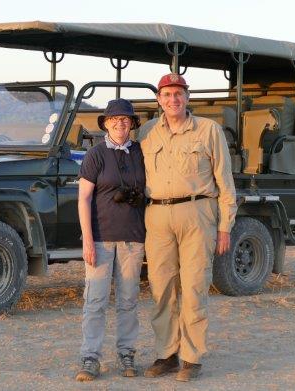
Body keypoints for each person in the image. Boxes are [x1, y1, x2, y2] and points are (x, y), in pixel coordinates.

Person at [136, 73, 237, 382]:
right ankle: (166, 354)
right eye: (166, 94)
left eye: (178, 94)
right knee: (161, 287)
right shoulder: (147, 133)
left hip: (198, 213)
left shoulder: (208, 130)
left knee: (194, 287)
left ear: (187, 98)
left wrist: (225, 226)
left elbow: (225, 181)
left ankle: (191, 358)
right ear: (158, 99)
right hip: (157, 216)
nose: (173, 100)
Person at [75, 98, 146, 382]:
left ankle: (127, 353)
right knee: (95, 300)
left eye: (125, 119)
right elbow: (83, 198)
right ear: (105, 122)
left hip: (133, 238)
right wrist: (87, 241)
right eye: (114, 118)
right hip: (102, 238)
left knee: (128, 299)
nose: (120, 123)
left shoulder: (140, 152)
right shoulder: (96, 154)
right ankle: (90, 357)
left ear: (132, 124)